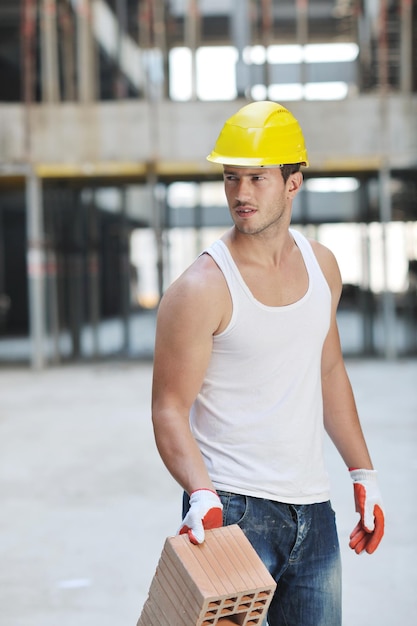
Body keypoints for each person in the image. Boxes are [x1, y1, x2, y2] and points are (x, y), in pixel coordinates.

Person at [151, 100, 384, 626]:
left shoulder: (323, 266)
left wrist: (362, 472)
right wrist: (201, 494)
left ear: (293, 182)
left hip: (315, 515)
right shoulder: (201, 288)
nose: (240, 193)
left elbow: (328, 371)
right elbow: (168, 408)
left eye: (257, 178)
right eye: (231, 178)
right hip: (232, 514)